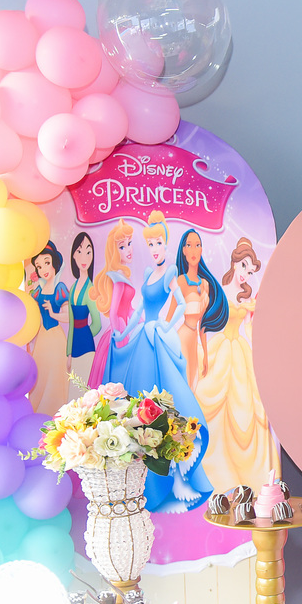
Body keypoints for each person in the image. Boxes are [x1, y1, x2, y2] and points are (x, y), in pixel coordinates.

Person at [111, 210, 212, 512]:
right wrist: (124, 333)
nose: (154, 249)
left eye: (158, 243)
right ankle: (140, 482)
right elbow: (140, 309)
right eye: (150, 244)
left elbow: (180, 305)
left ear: (166, 245)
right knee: (138, 404)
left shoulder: (170, 273)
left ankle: (171, 478)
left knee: (163, 403)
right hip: (143, 338)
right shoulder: (146, 274)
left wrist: (165, 327)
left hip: (156, 339)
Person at [194, 237, 281, 492]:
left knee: (247, 410)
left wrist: (258, 347)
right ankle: (216, 473)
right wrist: (202, 354)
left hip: (240, 352)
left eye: (250, 271)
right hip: (220, 350)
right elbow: (202, 324)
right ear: (234, 263)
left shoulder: (247, 298)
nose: (246, 274)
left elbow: (250, 329)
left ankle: (250, 475)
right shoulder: (217, 291)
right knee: (213, 405)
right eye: (244, 266)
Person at [170, 229, 228, 386]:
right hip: (182, 336)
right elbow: (170, 315)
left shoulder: (205, 285)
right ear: (183, 250)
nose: (193, 250)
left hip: (194, 338)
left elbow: (203, 324)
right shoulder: (181, 281)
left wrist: (205, 355)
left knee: (193, 381)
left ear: (202, 249)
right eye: (189, 245)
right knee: (184, 380)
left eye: (197, 245)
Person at [88, 219, 136, 388]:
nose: (128, 250)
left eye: (129, 243)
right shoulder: (117, 277)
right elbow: (114, 312)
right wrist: (119, 337)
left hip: (124, 328)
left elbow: (129, 309)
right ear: (114, 251)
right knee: (117, 378)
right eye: (122, 247)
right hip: (118, 331)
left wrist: (145, 322)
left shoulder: (123, 275)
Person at [26, 240, 70, 417]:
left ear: (54, 263)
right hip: (41, 339)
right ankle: (37, 413)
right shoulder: (38, 290)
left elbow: (68, 316)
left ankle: (57, 415)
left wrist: (52, 312)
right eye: (39, 266)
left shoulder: (60, 288)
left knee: (55, 376)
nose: (43, 268)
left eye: (47, 262)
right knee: (41, 375)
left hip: (56, 338)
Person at [67, 231, 101, 396]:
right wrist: (68, 353)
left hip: (87, 349)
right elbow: (71, 324)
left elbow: (97, 324)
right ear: (74, 255)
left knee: (84, 392)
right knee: (73, 392)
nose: (84, 257)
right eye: (80, 251)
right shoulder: (73, 288)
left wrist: (85, 336)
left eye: (88, 252)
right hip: (75, 348)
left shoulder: (90, 289)